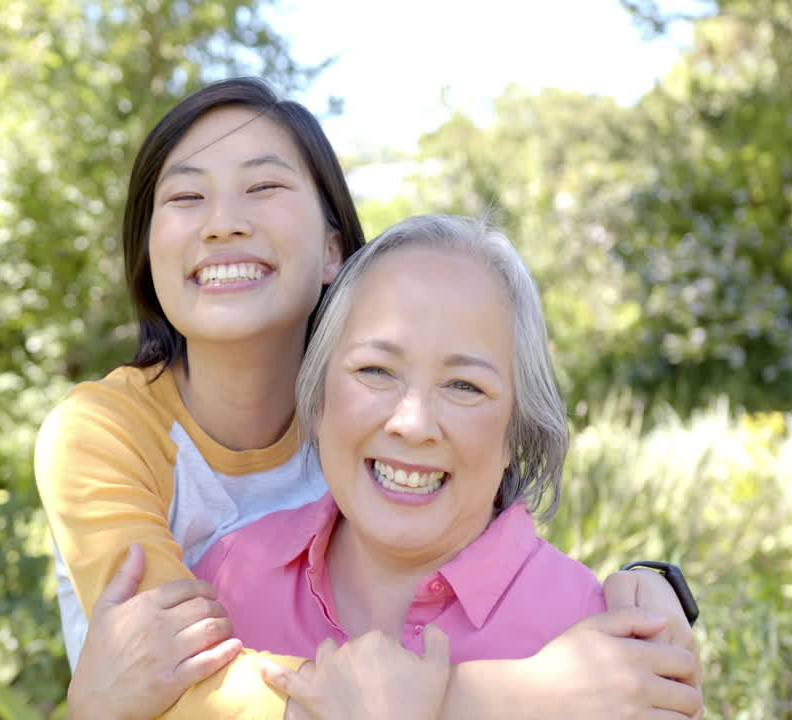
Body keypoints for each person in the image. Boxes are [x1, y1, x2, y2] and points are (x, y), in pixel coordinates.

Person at [35, 78, 700, 720]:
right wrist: (509, 700)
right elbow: (170, 678)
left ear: (334, 252)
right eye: (185, 197)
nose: (223, 223)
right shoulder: (112, 441)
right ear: (147, 252)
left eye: (264, 186)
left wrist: (646, 587)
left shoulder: (366, 419)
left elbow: (485, 544)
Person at [194, 214, 701, 719]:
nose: (412, 423)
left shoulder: (600, 644)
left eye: (464, 386)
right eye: (376, 370)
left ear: (515, 431)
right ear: (320, 397)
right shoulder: (230, 574)